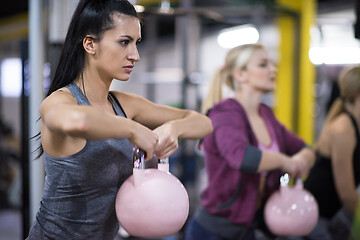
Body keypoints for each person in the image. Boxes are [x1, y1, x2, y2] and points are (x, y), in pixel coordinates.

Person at [26, 0, 213, 239]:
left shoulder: (124, 104)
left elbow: (204, 123)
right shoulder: (59, 102)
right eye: (124, 42)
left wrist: (174, 128)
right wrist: (133, 130)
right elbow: (79, 122)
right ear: (90, 44)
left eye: (136, 43)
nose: (135, 55)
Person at [184, 43, 315, 240]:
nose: (274, 69)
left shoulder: (266, 114)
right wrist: (284, 161)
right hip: (215, 231)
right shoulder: (225, 113)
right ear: (240, 75)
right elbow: (243, 157)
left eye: (271, 64)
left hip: (251, 229)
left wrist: (303, 160)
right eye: (263, 65)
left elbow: (304, 148)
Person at [298, 66, 360, 240]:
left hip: (331, 215)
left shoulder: (355, 125)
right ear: (357, 95)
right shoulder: (343, 129)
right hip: (313, 219)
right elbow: (347, 194)